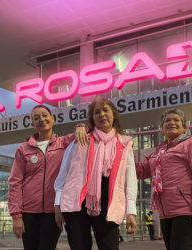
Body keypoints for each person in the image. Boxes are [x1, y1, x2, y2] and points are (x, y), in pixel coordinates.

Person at [54, 96, 138, 250]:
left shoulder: (124, 144)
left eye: (106, 110)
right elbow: (63, 175)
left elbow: (130, 180)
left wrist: (131, 211)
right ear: (92, 118)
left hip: (109, 201)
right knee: (79, 246)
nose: (102, 114)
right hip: (77, 202)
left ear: (113, 115)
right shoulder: (80, 140)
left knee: (110, 246)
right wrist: (58, 206)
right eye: (97, 112)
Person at [135, 108, 192, 250]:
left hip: (185, 209)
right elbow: (142, 171)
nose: (171, 122)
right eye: (167, 120)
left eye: (176, 120)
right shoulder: (160, 150)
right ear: (162, 129)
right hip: (165, 212)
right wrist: (125, 156)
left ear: (184, 126)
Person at [7, 104, 86, 250]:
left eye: (44, 115)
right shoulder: (23, 149)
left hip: (53, 212)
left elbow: (87, 132)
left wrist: (81, 126)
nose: (41, 119)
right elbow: (15, 182)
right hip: (28, 212)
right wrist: (16, 215)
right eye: (36, 118)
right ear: (33, 124)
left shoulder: (64, 143)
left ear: (53, 118)